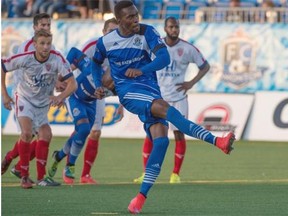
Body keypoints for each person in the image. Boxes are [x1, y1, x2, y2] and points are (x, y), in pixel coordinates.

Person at [92, 1, 235, 214]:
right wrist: (97, 85)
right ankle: (217, 141)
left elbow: (164, 57)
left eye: (136, 15)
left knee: (161, 140)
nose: (135, 19)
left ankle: (139, 199)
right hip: (129, 92)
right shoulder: (106, 42)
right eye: (130, 17)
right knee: (166, 110)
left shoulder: (147, 31)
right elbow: (95, 63)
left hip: (149, 86)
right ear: (119, 20)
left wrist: (143, 70)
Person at [133, 16, 211, 184]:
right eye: (171, 27)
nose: (174, 30)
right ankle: (146, 173)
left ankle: (175, 174)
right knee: (151, 134)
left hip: (178, 98)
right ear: (165, 28)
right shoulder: (155, 45)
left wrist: (191, 83)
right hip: (157, 98)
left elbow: (205, 66)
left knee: (179, 134)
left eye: (176, 27)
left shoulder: (188, 48)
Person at [1, 30, 77, 189]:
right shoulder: (25, 58)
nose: (45, 47)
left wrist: (61, 96)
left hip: (43, 102)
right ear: (34, 44)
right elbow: (2, 67)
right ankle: (24, 176)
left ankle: (39, 176)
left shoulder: (57, 58)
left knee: (46, 135)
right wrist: (5, 96)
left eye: (48, 43)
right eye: (42, 43)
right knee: (27, 133)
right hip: (24, 99)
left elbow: (72, 84)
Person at [78, 17, 123, 184]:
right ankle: (66, 164)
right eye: (110, 31)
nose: (113, 35)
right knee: (81, 130)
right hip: (80, 93)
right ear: (103, 32)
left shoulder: (120, 51)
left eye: (116, 32)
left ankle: (85, 175)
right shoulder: (92, 46)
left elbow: (122, 81)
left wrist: (121, 105)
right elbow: (76, 63)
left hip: (99, 95)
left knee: (95, 132)